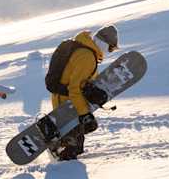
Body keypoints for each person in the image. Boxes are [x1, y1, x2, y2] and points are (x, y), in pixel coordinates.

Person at [46, 24, 120, 160]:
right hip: (67, 105)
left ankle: (58, 143)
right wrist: (84, 114)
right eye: (110, 48)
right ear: (104, 43)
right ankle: (60, 165)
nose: (109, 52)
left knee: (87, 129)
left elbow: (80, 83)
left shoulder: (85, 50)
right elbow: (74, 88)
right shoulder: (87, 57)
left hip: (66, 101)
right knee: (73, 149)